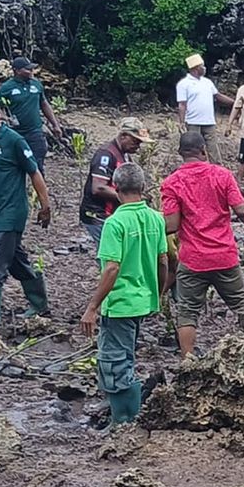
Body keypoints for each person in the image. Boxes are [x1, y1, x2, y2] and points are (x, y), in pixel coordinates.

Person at [161, 133, 244, 357]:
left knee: (188, 312)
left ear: (181, 154)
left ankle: (187, 361)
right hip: (224, 256)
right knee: (242, 304)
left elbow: (171, 225)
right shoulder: (222, 175)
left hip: (192, 261)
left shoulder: (172, 183)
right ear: (203, 151)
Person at [79, 163, 167, 426]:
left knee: (114, 363)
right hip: (142, 300)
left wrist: (92, 307)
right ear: (142, 187)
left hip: (120, 303)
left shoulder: (114, 223)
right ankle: (126, 415)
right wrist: (157, 294)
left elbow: (112, 268)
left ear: (116, 188)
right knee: (125, 356)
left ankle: (125, 421)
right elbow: (163, 261)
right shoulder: (155, 218)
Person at [0, 97, 51, 324]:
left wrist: (45, 206)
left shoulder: (14, 141)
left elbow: (34, 173)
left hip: (10, 213)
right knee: (17, 261)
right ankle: (39, 304)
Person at [78, 118, 154, 244]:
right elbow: (98, 188)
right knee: (109, 254)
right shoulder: (106, 154)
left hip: (112, 215)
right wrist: (130, 199)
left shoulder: (124, 154)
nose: (137, 146)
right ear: (124, 136)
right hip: (98, 215)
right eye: (135, 141)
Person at [0, 57, 61, 174]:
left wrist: (55, 124)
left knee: (37, 165)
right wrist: (6, 118)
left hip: (35, 131)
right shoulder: (7, 87)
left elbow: (44, 104)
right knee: (13, 165)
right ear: (17, 70)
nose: (31, 71)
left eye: (32, 69)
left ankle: (39, 191)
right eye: (28, 69)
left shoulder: (36, 85)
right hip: (15, 132)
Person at [176, 54, 234, 163]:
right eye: (202, 66)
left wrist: (234, 103)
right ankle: (197, 169)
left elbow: (218, 96)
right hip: (193, 122)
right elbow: (182, 105)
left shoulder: (207, 82)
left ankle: (217, 168)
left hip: (208, 121)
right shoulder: (184, 84)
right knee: (194, 149)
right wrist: (182, 122)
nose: (205, 68)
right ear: (195, 68)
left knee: (213, 148)